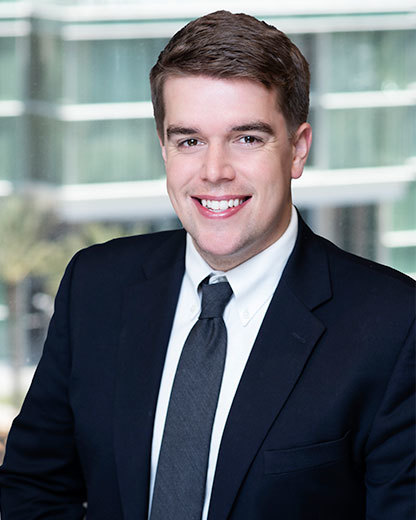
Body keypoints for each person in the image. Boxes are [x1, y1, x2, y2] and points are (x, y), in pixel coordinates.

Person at [0, 10, 414, 520]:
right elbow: (33, 489)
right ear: (164, 149)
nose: (215, 171)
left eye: (247, 138)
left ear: (297, 150)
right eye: (190, 140)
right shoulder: (96, 285)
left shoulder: (394, 325)